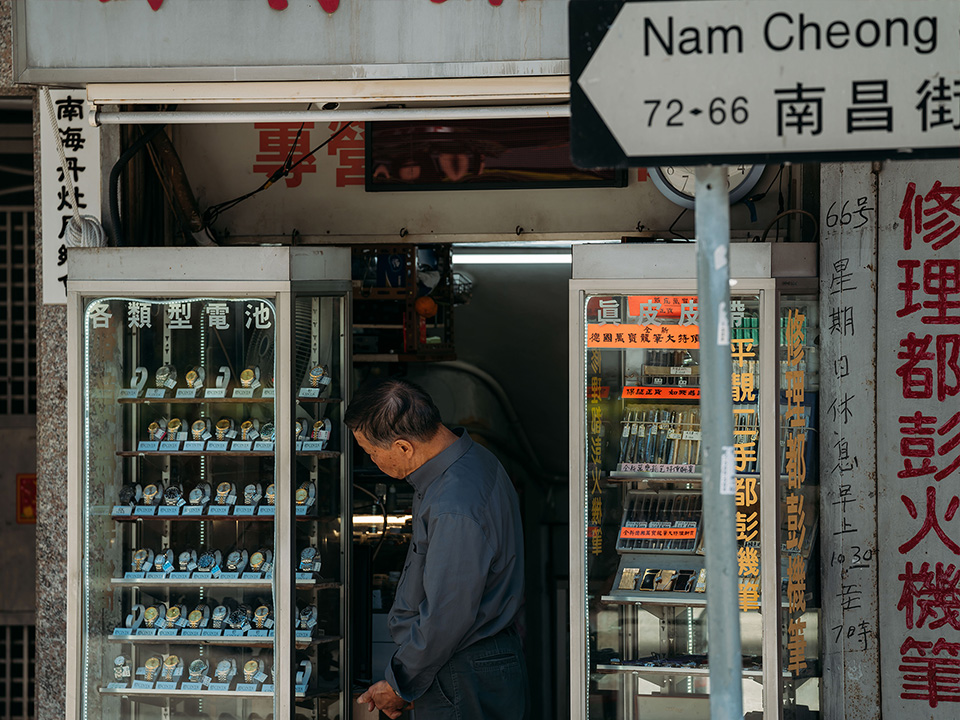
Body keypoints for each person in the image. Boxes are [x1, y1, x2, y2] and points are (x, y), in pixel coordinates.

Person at [346, 379, 527, 720]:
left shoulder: (453, 503)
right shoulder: (473, 460)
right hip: (467, 664)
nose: (372, 461)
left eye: (371, 452)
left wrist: (402, 682)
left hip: (460, 666)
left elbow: (448, 613)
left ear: (402, 448)